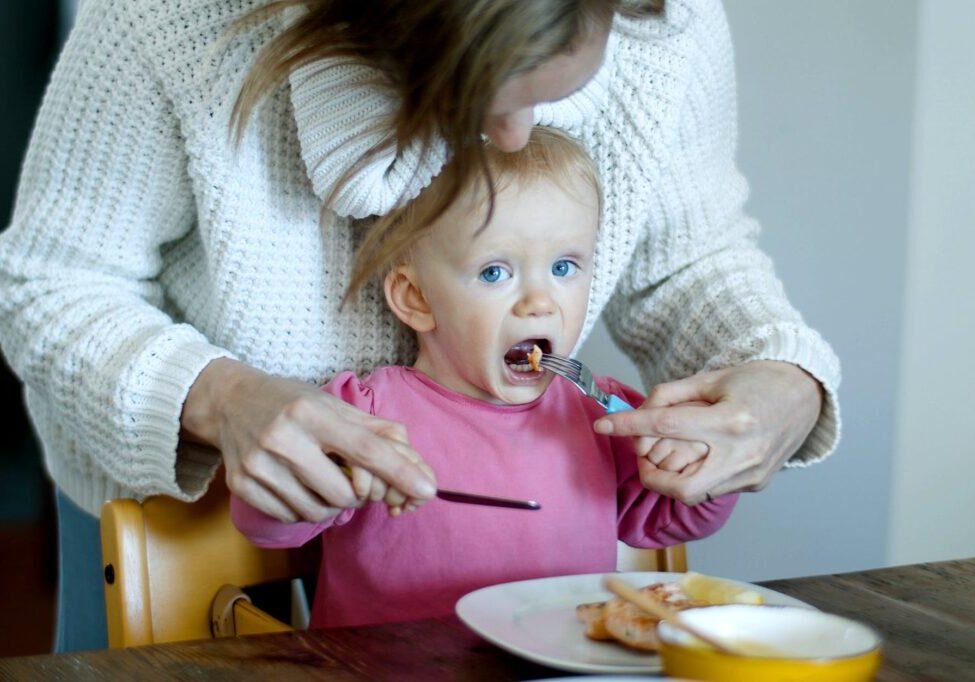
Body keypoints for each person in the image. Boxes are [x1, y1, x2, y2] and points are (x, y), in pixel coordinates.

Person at [0, 0, 839, 651]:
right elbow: (50, 282)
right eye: (473, 99)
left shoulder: (666, 24)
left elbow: (690, 258)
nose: (507, 140)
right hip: (185, 484)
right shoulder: (178, 22)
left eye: (549, 96)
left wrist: (781, 381)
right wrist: (215, 398)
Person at [231, 126, 738, 627]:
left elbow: (675, 517)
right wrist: (306, 486)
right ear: (417, 298)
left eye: (564, 267)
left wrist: (700, 468)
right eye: (496, 272)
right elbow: (271, 525)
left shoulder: (605, 416)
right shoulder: (360, 416)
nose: (540, 302)